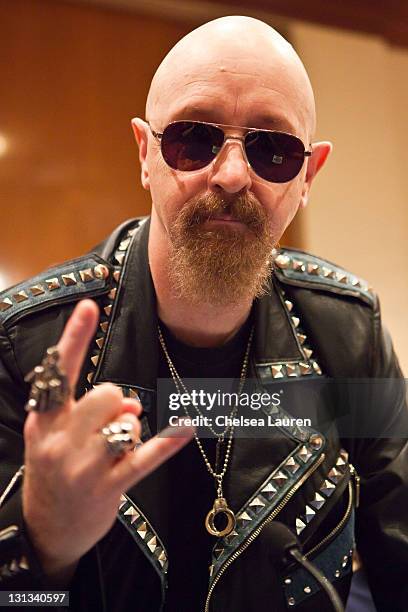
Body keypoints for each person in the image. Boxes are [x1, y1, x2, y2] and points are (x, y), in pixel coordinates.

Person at [0, 15, 407, 612]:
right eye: (193, 138)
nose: (234, 174)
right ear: (146, 153)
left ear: (308, 175)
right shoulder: (24, 345)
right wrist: (45, 548)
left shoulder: (349, 335)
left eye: (273, 148)